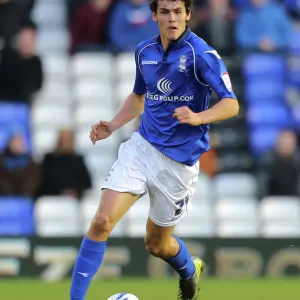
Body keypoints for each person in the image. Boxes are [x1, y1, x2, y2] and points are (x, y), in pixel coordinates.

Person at [70, 1, 239, 300]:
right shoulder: (144, 52)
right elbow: (138, 97)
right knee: (101, 222)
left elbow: (231, 103)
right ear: (154, 15)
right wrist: (113, 123)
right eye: (165, 12)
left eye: (177, 12)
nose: (171, 18)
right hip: (142, 148)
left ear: (188, 14)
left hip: (178, 165)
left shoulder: (202, 55)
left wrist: (199, 116)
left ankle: (189, 270)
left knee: (157, 245)